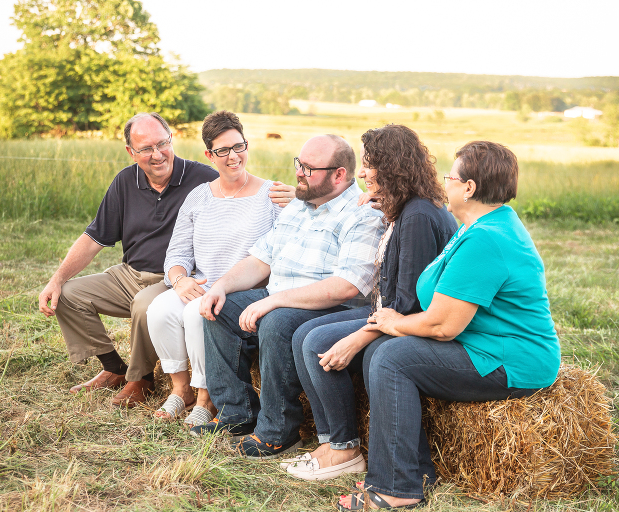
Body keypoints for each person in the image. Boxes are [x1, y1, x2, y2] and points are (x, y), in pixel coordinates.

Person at [336, 141, 560, 511]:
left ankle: (398, 488)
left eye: (450, 177)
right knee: (382, 349)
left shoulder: (486, 238)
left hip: (511, 359)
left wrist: (395, 321)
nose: (446, 184)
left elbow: (443, 326)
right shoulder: (479, 224)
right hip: (486, 345)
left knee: (392, 357)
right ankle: (414, 470)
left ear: (469, 188)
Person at [37, 112, 294, 408]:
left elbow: (242, 183)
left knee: (149, 304)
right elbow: (95, 237)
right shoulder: (127, 182)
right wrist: (56, 280)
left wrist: (299, 196)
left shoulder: (203, 178)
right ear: (131, 152)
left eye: (162, 144)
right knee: (69, 294)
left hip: (175, 281)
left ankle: (143, 380)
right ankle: (115, 369)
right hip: (136, 273)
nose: (157, 154)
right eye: (146, 148)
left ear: (172, 140)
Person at [195, 134, 385, 459]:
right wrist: (221, 286)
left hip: (330, 308)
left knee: (277, 321)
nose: (299, 173)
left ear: (339, 175)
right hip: (277, 297)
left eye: (309, 168)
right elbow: (260, 259)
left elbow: (349, 286)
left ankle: (278, 432)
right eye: (299, 163)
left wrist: (273, 301)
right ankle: (235, 411)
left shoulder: (363, 214)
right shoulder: (298, 205)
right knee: (221, 307)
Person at [284, 124, 457, 481]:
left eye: (369, 165)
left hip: (415, 323)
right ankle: (334, 441)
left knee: (319, 341)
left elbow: (408, 305)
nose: (362, 173)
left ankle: (345, 449)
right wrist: (380, 201)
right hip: (390, 311)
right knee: (303, 335)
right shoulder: (405, 208)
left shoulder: (419, 217)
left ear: (392, 167)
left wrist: (358, 337)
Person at [146, 111, 282, 426]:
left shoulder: (271, 195)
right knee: (159, 309)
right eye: (223, 150)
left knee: (198, 313)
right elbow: (177, 252)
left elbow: (282, 248)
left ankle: (207, 397)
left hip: (244, 292)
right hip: (200, 284)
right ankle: (181, 390)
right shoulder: (198, 197)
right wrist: (179, 280)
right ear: (210, 154)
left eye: (239, 146)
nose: (233, 156)